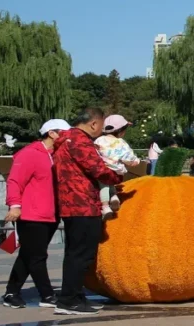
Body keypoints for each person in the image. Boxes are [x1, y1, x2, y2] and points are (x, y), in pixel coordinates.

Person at [52, 108, 124, 315]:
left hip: (71, 203)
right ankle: (69, 300)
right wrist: (118, 177)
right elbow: (97, 169)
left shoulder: (64, 140)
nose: (102, 131)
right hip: (83, 204)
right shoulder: (80, 141)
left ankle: (74, 296)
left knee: (75, 253)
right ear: (93, 124)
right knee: (82, 254)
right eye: (101, 126)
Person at [1, 119, 70, 309]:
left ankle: (11, 293)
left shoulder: (58, 154)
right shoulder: (30, 153)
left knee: (29, 255)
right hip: (31, 214)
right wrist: (15, 206)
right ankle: (46, 295)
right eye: (64, 133)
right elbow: (14, 181)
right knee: (37, 256)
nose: (68, 137)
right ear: (52, 133)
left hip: (52, 214)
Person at [94, 115, 139, 219]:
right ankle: (114, 197)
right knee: (111, 184)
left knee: (104, 186)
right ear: (120, 131)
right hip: (117, 170)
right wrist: (136, 161)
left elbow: (94, 153)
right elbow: (129, 157)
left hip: (103, 168)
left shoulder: (99, 140)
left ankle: (105, 207)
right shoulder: (121, 143)